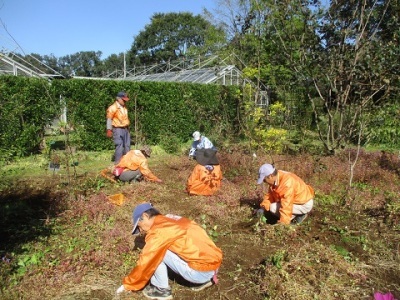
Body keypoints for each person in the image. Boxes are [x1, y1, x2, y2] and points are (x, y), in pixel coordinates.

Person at [116, 203, 223, 299]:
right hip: (213, 265)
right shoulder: (171, 218)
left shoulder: (158, 231)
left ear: (145, 216)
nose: (141, 231)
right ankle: (204, 281)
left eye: (139, 227)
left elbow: (146, 261)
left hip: (200, 272)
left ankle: (161, 290)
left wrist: (128, 284)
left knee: (157, 253)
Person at [106, 91, 131, 164]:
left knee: (127, 146)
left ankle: (127, 163)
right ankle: (118, 164)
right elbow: (109, 119)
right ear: (118, 99)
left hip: (125, 129)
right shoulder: (112, 108)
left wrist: (127, 128)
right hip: (117, 129)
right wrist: (109, 129)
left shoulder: (124, 107)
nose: (125, 101)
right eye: (123, 100)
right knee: (119, 146)